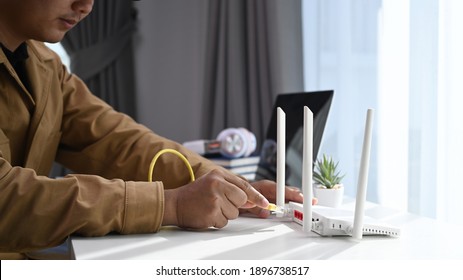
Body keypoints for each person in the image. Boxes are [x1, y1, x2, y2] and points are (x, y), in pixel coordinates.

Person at [0, 0, 309, 260]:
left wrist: (228, 185)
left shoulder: (45, 64)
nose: (86, 6)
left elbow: (117, 140)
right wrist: (170, 204)